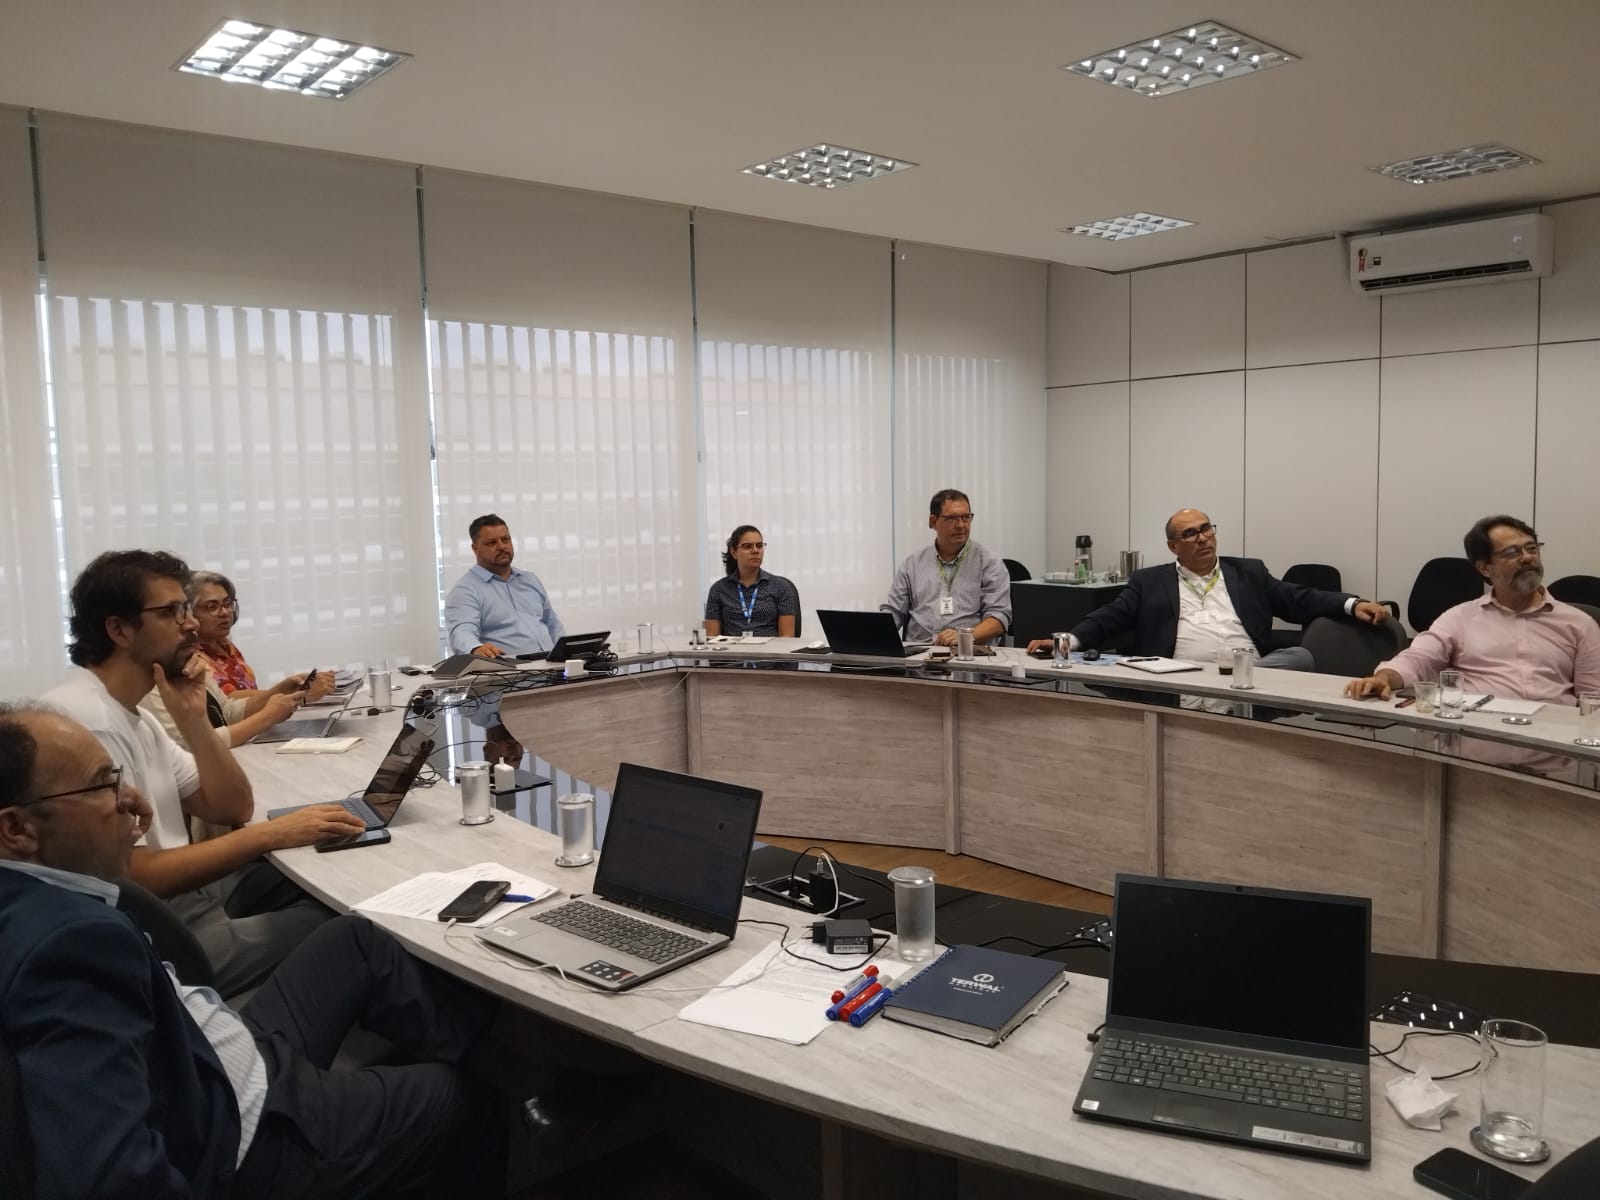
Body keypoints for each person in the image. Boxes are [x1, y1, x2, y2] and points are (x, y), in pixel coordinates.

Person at [0, 703, 556, 1199]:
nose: (132, 801)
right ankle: (521, 1098)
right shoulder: (66, 948)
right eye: (102, 786)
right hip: (249, 1131)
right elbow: (108, 1176)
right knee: (461, 1098)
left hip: (220, 1052)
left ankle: (528, 1083)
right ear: (17, 828)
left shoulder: (41, 895)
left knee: (358, 940)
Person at [40, 550, 366, 995]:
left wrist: (194, 719)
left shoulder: (135, 714)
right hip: (159, 935)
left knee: (322, 872)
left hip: (189, 898)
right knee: (350, 916)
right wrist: (272, 833)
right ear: (118, 629)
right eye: (171, 612)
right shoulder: (90, 723)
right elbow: (136, 876)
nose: (191, 623)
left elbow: (232, 806)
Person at [1028, 509, 1388, 668]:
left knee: (1300, 657)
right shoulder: (1149, 581)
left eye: (1206, 529)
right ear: (1173, 546)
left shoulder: (1248, 572)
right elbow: (1109, 616)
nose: (1202, 538)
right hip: (1179, 673)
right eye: (1190, 534)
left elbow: (1299, 598)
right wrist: (1066, 641)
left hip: (1249, 672)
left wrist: (1351, 604)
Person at [1345, 515, 1600, 702]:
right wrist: (1384, 678)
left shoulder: (1579, 624)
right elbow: (1419, 659)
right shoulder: (1460, 618)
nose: (1527, 557)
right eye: (1512, 552)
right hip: (1478, 737)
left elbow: (1594, 698)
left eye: (1532, 548)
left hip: (1553, 742)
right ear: (1485, 568)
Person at [144, 571, 325, 749]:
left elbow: (227, 711)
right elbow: (189, 747)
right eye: (171, 613)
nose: (192, 623)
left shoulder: (190, 658)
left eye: (228, 603)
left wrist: (281, 689)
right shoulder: (148, 682)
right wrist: (268, 716)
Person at [443, 514, 567, 764]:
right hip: (506, 684)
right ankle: (495, 779)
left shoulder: (530, 580)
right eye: (491, 543)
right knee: (506, 752)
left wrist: (566, 650)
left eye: (505, 539)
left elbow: (552, 623)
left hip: (549, 676)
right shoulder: (466, 590)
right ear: (475, 549)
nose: (501, 546)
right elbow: (461, 630)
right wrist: (475, 648)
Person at [882, 489, 1012, 646]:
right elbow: (894, 612)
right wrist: (871, 632)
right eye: (951, 518)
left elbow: (999, 618)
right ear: (933, 521)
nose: (961, 525)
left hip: (967, 654)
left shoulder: (989, 562)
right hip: (919, 653)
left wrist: (963, 636)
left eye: (966, 517)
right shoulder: (912, 564)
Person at [189, 570, 334, 703]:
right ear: (189, 612)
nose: (225, 612)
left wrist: (293, 688)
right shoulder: (190, 657)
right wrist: (297, 693)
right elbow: (228, 703)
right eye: (212, 607)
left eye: (228, 603)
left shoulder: (224, 644)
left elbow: (248, 695)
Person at [703, 524, 799, 637]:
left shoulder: (780, 587)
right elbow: (712, 639)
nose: (755, 551)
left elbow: (787, 637)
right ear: (734, 552)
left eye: (759, 546)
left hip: (770, 648)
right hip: (732, 648)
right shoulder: (719, 589)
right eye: (748, 546)